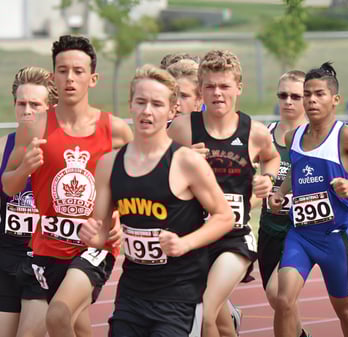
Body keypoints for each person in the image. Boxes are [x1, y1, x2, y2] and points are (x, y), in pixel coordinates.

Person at [78, 64, 234, 337]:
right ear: (130, 105)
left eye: (157, 104)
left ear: (172, 110)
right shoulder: (109, 164)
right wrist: (91, 234)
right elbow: (100, 229)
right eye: (141, 102)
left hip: (179, 296)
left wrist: (185, 243)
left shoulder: (185, 161)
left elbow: (225, 217)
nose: (147, 111)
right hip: (132, 293)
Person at [1, 35, 133, 337]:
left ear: (93, 78)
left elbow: (138, 185)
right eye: (63, 70)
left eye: (78, 71)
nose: (70, 78)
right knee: (71, 325)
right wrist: (24, 168)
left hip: (93, 246)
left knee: (59, 313)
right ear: (53, 76)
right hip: (46, 247)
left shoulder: (115, 130)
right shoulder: (34, 127)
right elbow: (9, 186)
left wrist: (119, 222)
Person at [269, 62, 348, 337]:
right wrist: (280, 193)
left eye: (319, 94)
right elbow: (298, 172)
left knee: (345, 310)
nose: (312, 100)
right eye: (307, 94)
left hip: (334, 238)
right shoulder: (294, 136)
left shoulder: (346, 136)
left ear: (335, 99)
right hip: (300, 236)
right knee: (283, 300)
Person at [167, 49, 280, 337]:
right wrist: (180, 158)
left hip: (234, 238)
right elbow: (155, 165)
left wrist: (266, 179)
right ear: (201, 90)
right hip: (194, 236)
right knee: (217, 319)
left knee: (206, 307)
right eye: (210, 86)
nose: (217, 93)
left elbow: (272, 157)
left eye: (225, 86)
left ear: (238, 88)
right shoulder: (182, 129)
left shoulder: (254, 131)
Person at [0, 66, 57, 337]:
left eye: (35, 104)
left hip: (44, 260)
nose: (27, 111)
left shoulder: (66, 151)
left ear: (51, 107)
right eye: (21, 103)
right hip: (6, 257)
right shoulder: (2, 148)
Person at [259, 70, 310, 337]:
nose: (288, 101)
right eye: (283, 95)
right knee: (280, 303)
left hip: (300, 230)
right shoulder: (264, 134)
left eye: (295, 96)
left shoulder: (317, 137)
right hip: (269, 227)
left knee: (280, 297)